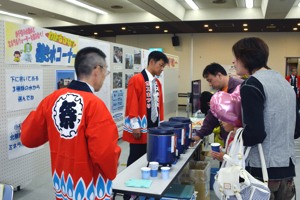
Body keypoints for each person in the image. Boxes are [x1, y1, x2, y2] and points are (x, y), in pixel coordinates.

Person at [21, 47, 121, 200]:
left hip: (63, 181)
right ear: (97, 69)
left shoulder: (51, 99)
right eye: (106, 71)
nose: (104, 76)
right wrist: (113, 166)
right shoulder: (95, 105)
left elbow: (28, 137)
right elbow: (104, 153)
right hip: (89, 185)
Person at [232, 37, 296, 200]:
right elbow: (296, 130)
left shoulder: (251, 85)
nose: (234, 62)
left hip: (262, 170)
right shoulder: (285, 83)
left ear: (246, 58)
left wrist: (236, 135)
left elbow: (255, 134)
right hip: (287, 169)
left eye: (236, 57)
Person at [123, 51, 169, 167]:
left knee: (151, 155)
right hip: (140, 126)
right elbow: (132, 102)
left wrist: (161, 123)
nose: (162, 69)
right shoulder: (136, 79)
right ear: (152, 62)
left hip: (153, 125)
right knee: (136, 155)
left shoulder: (157, 82)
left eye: (163, 66)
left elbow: (160, 105)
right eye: (161, 65)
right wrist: (135, 125)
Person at [193, 63, 243, 143]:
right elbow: (212, 116)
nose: (210, 84)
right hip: (229, 140)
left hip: (241, 140)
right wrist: (199, 134)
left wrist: (234, 126)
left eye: (210, 80)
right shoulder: (220, 94)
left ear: (219, 75)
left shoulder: (240, 87)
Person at [208, 86, 242, 162]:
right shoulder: (231, 134)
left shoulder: (241, 139)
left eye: (224, 119)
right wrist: (221, 153)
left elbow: (239, 162)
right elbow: (230, 154)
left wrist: (223, 158)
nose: (221, 121)